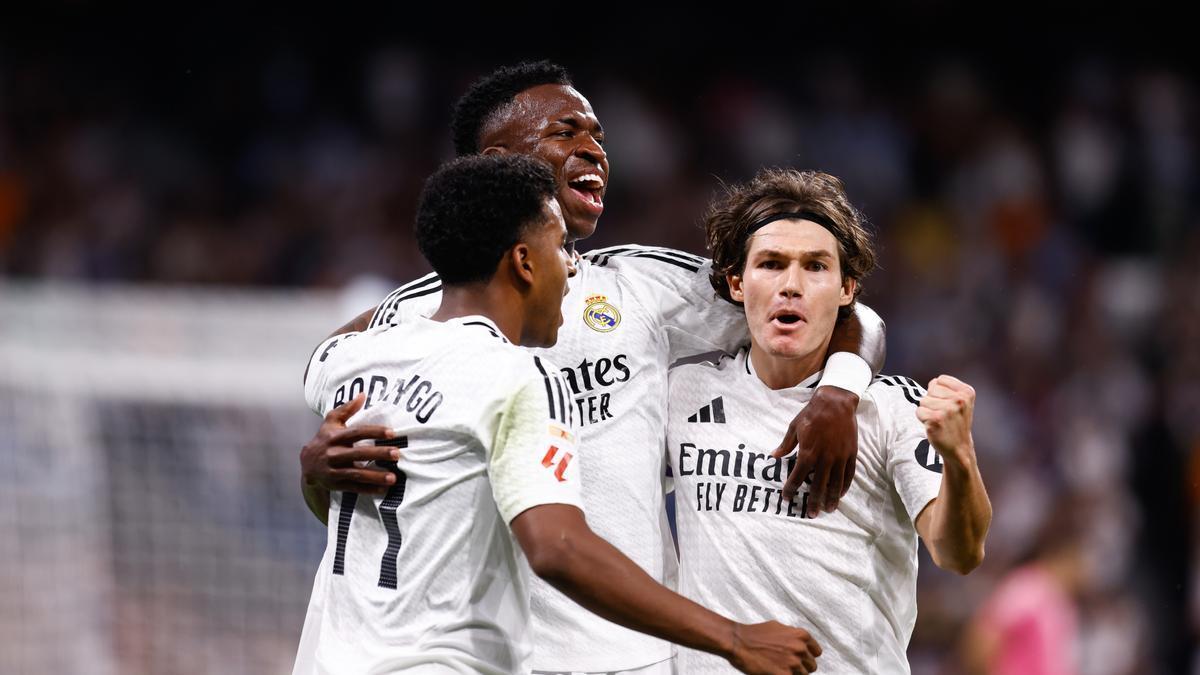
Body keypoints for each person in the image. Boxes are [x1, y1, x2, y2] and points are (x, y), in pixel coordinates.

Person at [300, 62, 885, 674]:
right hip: (493, 654)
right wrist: (315, 471)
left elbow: (848, 314)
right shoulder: (419, 315)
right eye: (566, 132)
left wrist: (839, 392)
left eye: (598, 136)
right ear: (500, 160)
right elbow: (349, 431)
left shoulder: (641, 286)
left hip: (630, 655)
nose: (595, 150)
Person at [665, 168, 992, 673]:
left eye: (815, 267)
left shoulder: (890, 408)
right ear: (735, 282)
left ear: (847, 290)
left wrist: (960, 457)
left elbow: (959, 553)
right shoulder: (680, 394)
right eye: (771, 264)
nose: (791, 286)